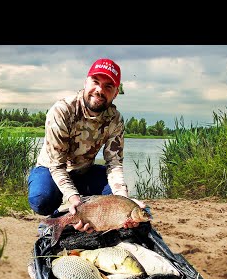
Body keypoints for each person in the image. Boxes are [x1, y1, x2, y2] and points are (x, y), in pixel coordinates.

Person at [27, 58, 146, 233]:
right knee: (41, 199)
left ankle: (89, 218)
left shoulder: (115, 119)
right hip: (51, 170)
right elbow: (57, 165)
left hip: (84, 172)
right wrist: (74, 199)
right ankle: (58, 217)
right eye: (95, 82)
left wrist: (123, 201)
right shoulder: (62, 110)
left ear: (115, 93)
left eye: (108, 87)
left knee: (131, 207)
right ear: (85, 82)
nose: (99, 90)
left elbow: (114, 164)